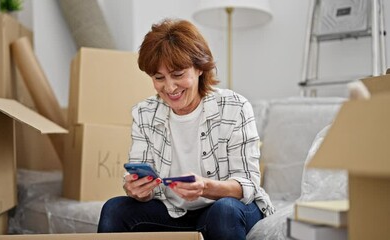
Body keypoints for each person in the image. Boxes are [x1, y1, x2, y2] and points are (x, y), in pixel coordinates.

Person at [97, 18, 275, 240]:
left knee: (224, 211)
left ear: (200, 68)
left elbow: (247, 185)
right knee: (115, 209)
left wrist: (206, 187)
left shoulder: (235, 107)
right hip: (174, 211)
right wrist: (138, 191)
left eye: (178, 74)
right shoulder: (144, 113)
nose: (169, 87)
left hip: (229, 209)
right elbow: (145, 183)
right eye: (158, 78)